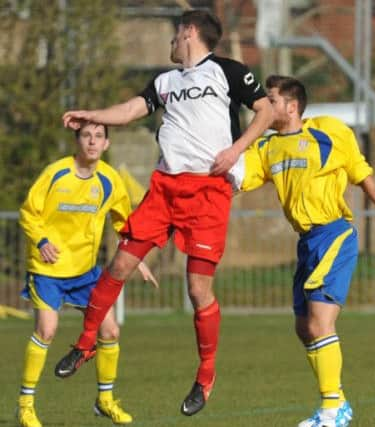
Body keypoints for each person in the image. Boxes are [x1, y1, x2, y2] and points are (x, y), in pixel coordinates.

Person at [54, 9, 273, 417]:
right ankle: (85, 343)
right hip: (164, 187)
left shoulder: (228, 70)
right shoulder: (165, 81)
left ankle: (206, 376)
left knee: (197, 291)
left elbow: (265, 111)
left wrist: (236, 149)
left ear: (188, 32)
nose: (171, 43)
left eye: (175, 35)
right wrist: (92, 116)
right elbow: (132, 109)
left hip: (207, 190)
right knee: (118, 264)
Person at [241, 75, 375, 427]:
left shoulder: (328, 133)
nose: (264, 106)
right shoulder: (266, 147)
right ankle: (340, 403)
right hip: (306, 242)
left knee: (320, 322)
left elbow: (362, 175)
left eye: (271, 100)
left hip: (333, 234)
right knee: (304, 327)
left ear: (291, 106)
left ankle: (332, 412)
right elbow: (236, 180)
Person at [17, 122, 158, 427]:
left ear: (106, 144)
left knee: (110, 332)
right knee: (47, 330)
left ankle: (104, 401)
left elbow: (125, 223)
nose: (92, 142)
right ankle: (26, 405)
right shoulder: (56, 173)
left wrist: (137, 258)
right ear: (77, 141)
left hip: (84, 273)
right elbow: (29, 212)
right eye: (86, 136)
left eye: (98, 136)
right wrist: (41, 241)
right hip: (48, 270)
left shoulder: (110, 180)